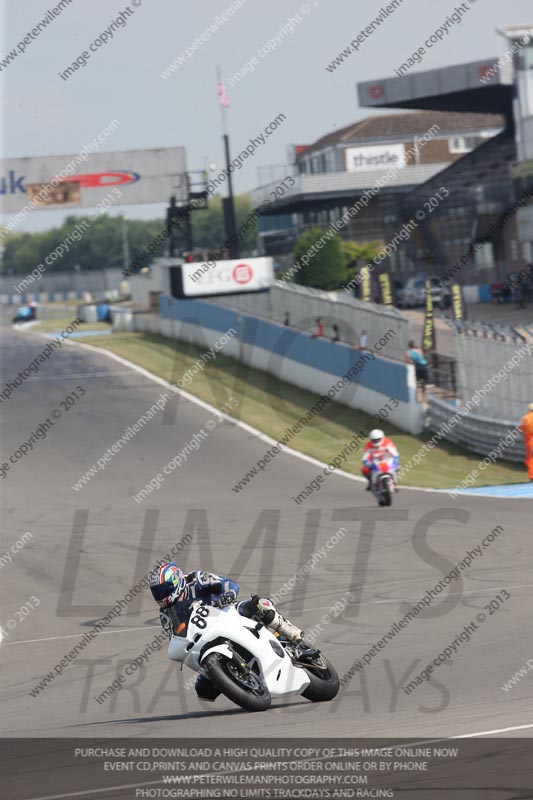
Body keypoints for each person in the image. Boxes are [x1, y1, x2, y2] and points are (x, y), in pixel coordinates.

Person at [149, 562, 309, 702]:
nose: (160, 595)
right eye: (156, 591)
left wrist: (228, 594)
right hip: (205, 637)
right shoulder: (166, 613)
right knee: (204, 691)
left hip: (226, 612)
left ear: (174, 582)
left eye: (162, 589)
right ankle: (241, 680)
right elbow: (175, 635)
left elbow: (227, 583)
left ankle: (290, 632)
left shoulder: (196, 579)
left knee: (259, 606)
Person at [519, 403, 533, 482]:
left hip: (530, 439)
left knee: (530, 458)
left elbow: (523, 427)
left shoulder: (527, 418)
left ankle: (532, 477)